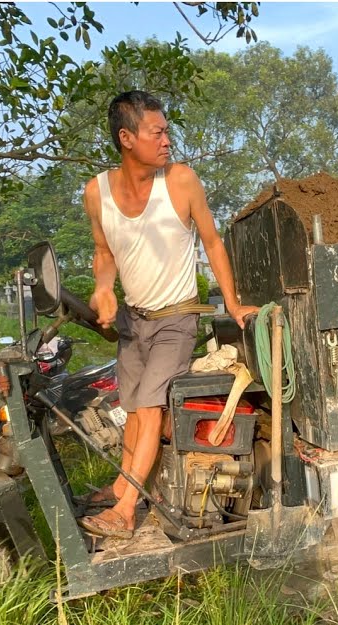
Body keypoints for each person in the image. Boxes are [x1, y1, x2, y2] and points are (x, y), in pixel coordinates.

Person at [77, 90, 258, 540]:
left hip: (177, 318)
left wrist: (232, 304)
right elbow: (103, 253)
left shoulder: (181, 182)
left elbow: (213, 243)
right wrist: (103, 288)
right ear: (126, 137)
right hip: (133, 322)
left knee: (152, 405)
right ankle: (122, 482)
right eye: (157, 132)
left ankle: (125, 508)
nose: (166, 141)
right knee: (134, 410)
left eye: (166, 131)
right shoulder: (96, 192)